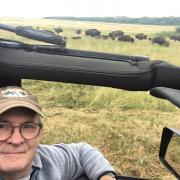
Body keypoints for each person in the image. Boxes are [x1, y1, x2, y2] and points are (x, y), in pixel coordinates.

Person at [0, 86, 117, 180]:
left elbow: (82, 151)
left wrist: (107, 176)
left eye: (28, 126)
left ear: (40, 133)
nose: (16, 140)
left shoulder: (48, 159)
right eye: (2, 126)